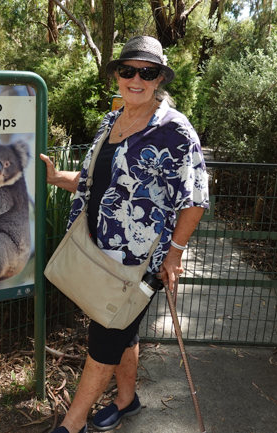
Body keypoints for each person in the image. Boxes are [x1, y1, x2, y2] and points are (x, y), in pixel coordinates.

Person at [39, 35, 210, 433]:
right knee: (120, 327)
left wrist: (175, 254)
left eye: (147, 73)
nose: (136, 79)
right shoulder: (111, 119)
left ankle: (73, 422)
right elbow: (96, 181)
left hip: (139, 261)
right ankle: (126, 399)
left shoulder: (175, 131)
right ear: (117, 75)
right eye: (128, 70)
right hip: (97, 250)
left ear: (159, 79)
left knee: (105, 336)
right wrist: (54, 177)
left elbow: (195, 199)